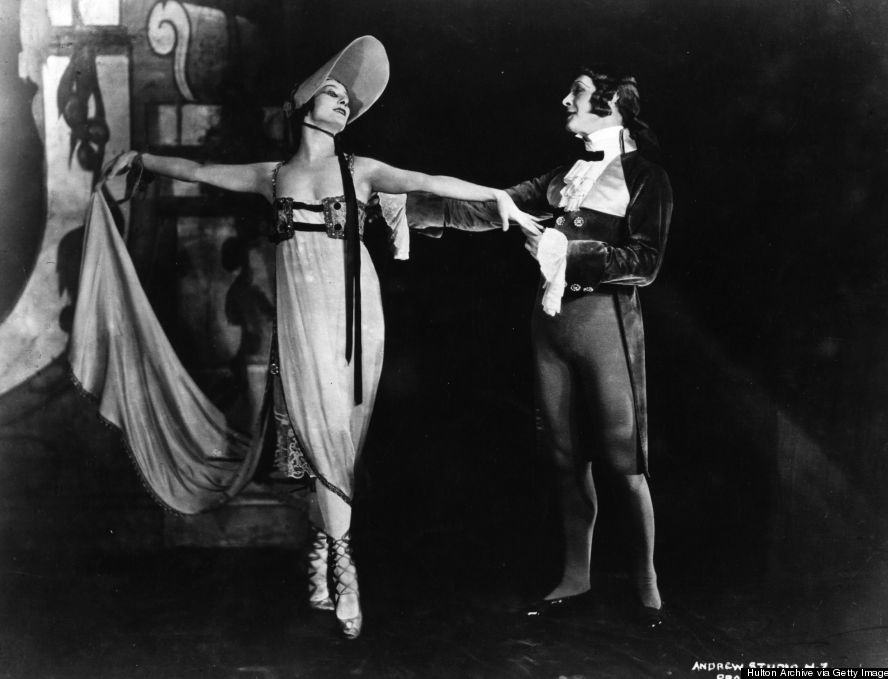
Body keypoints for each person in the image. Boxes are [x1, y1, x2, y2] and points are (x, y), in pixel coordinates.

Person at [108, 36, 540, 640]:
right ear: (304, 101)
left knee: (337, 439)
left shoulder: (360, 169)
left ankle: (323, 550)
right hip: (301, 323)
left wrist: (498, 199)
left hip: (356, 322)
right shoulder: (272, 175)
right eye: (334, 95)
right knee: (315, 439)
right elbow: (200, 172)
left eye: (347, 101)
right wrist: (142, 159)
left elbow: (429, 179)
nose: (344, 105)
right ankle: (341, 566)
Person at [405, 70, 673, 627]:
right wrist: (407, 208)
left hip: (605, 323)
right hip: (550, 326)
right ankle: (576, 577)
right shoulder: (562, 175)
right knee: (563, 455)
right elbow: (494, 208)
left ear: (610, 104)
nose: (565, 100)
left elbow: (645, 263)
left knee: (623, 459)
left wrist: (565, 252)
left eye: (576, 93)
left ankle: (647, 584)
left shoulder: (646, 176)